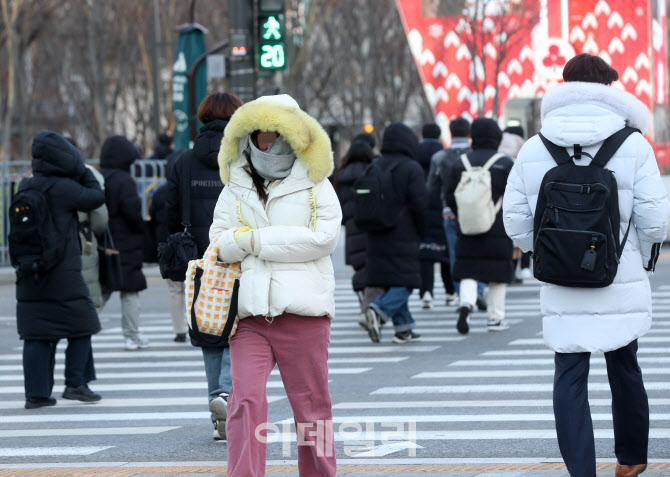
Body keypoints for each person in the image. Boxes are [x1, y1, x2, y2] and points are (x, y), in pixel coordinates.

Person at [503, 53, 670, 477]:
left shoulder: (534, 146)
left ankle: (581, 471)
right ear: (610, 88)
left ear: (564, 87)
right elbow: (655, 219)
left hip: (561, 279)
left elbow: (515, 220)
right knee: (624, 365)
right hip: (618, 272)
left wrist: (548, 252)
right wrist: (642, 255)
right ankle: (631, 459)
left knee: (569, 373)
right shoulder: (633, 144)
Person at [209, 94, 341, 476]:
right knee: (244, 401)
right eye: (257, 134)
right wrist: (243, 242)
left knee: (312, 407)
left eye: (274, 134)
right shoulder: (234, 181)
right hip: (248, 314)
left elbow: (322, 239)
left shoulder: (316, 181)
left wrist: (252, 242)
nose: (264, 143)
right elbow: (218, 242)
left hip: (303, 312)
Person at [166, 91, 243, 440]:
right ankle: (228, 395)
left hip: (199, 260)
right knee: (239, 328)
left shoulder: (183, 161)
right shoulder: (244, 157)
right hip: (239, 251)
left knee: (210, 329)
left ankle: (217, 405)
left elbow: (167, 211)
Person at [17, 131, 105, 408]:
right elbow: (95, 197)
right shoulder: (64, 188)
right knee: (84, 324)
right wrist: (83, 170)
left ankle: (37, 394)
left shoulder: (25, 186)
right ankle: (76, 383)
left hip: (30, 270)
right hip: (62, 271)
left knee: (36, 333)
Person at [445, 118, 514, 334]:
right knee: (498, 273)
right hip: (498, 227)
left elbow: (449, 195)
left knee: (469, 269)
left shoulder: (460, 162)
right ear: (497, 137)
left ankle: (466, 303)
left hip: (468, 226)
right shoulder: (505, 163)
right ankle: (496, 318)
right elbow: (514, 196)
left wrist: (462, 214)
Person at [363, 123, 428, 344]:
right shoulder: (411, 168)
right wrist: (424, 231)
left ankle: (404, 328)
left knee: (393, 281)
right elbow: (421, 206)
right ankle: (378, 310)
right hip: (404, 234)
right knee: (407, 282)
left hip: (375, 233)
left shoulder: (374, 166)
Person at [99, 135, 149, 350]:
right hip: (126, 243)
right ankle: (132, 336)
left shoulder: (100, 178)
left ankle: (80, 327)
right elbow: (132, 212)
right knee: (130, 292)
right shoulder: (124, 180)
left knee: (103, 289)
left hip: (104, 241)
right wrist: (143, 231)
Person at [432, 117, 485, 307]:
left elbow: (432, 188)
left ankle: (463, 295)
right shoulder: (475, 155)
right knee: (479, 251)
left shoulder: (440, 157)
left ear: (451, 133)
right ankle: (479, 290)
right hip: (476, 211)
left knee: (456, 254)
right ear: (469, 134)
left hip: (449, 212)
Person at [416, 122, 454, 309]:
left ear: (422, 136)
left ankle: (426, 294)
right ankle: (450, 292)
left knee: (426, 252)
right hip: (443, 207)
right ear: (440, 137)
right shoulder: (445, 155)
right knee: (445, 251)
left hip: (422, 207)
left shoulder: (414, 154)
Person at [333, 140, 375, 301]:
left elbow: (338, 201)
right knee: (371, 262)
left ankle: (362, 291)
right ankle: (369, 300)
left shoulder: (341, 174)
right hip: (371, 223)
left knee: (359, 262)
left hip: (352, 223)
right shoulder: (373, 170)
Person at [498, 126, 531, 282]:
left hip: (497, 208)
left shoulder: (496, 158)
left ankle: (508, 272)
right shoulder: (522, 157)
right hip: (520, 205)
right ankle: (523, 268)